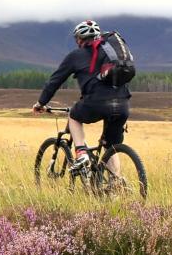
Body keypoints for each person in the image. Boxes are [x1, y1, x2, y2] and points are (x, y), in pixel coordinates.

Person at [32, 20, 132, 173]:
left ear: (79, 39)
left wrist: (41, 103)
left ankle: (81, 154)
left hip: (96, 102)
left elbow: (55, 81)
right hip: (123, 104)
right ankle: (116, 183)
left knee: (74, 116)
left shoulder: (75, 56)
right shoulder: (110, 55)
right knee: (110, 145)